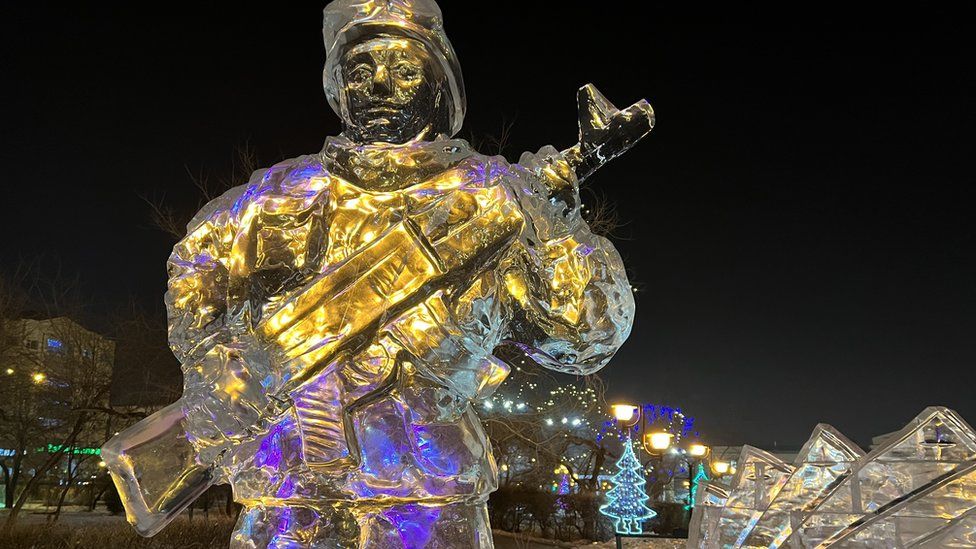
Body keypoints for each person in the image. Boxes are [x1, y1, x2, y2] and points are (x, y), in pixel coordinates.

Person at [104, 1, 653, 547]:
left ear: (438, 87)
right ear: (339, 86)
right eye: (360, 70)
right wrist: (227, 371)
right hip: (290, 486)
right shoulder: (273, 197)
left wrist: (555, 226)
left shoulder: (493, 196)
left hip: (428, 488)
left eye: (405, 69)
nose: (380, 85)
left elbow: (586, 336)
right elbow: (198, 274)